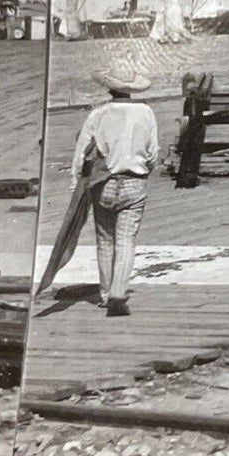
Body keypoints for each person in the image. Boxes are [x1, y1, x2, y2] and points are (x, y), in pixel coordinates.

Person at [69, 66, 159, 317]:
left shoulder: (98, 114)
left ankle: (105, 294)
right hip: (134, 181)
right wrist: (145, 167)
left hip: (103, 183)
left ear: (109, 87)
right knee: (126, 240)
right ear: (132, 89)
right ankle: (119, 293)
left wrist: (76, 182)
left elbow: (81, 153)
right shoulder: (146, 113)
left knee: (104, 239)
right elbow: (153, 153)